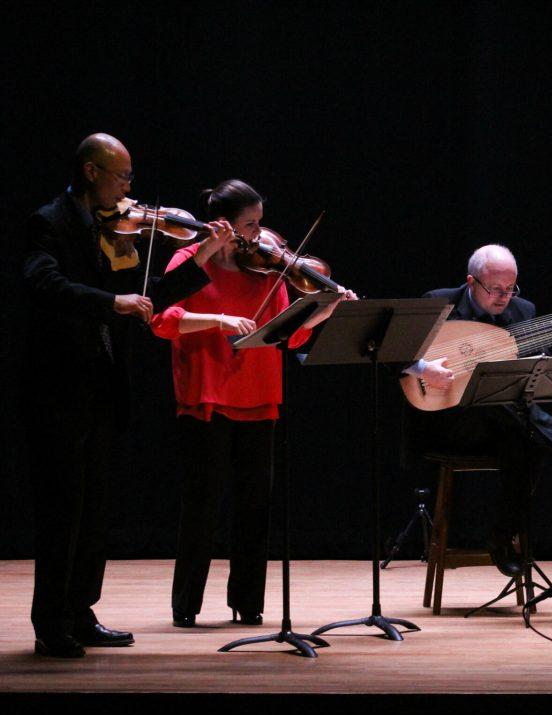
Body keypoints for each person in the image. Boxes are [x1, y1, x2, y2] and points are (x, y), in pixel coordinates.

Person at [21, 133, 210, 657]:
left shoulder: (114, 233)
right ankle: (49, 624)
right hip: (58, 391)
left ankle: (80, 612)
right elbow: (46, 286)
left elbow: (145, 300)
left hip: (101, 390)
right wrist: (112, 301)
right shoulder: (50, 223)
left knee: (95, 511)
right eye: (122, 177)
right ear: (90, 172)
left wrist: (203, 257)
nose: (130, 190)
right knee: (62, 512)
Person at [150, 179, 354, 628]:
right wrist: (218, 320)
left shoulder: (266, 269)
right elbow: (164, 321)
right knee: (201, 504)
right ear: (224, 224)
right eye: (251, 224)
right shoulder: (190, 259)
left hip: (259, 395)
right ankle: (186, 604)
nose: (261, 235)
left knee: (254, 505)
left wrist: (324, 309)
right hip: (206, 394)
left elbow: (289, 334)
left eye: (260, 222)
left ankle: (248, 603)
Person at [409, 244, 552, 576]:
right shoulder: (437, 303)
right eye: (496, 289)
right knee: (494, 399)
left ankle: (500, 537)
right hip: (446, 422)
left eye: (510, 288)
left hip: (505, 426)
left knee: (526, 439)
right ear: (471, 282)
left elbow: (536, 377)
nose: (505, 297)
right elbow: (395, 355)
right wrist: (423, 369)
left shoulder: (522, 311)